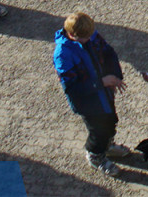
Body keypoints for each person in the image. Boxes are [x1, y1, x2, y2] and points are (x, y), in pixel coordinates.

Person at [54, 12, 128, 175]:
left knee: (111, 122)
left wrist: (115, 76)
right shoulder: (63, 55)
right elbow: (72, 89)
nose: (90, 39)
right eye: (85, 37)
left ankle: (107, 146)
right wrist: (101, 82)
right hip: (89, 104)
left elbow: (109, 53)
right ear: (73, 35)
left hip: (105, 95)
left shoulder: (90, 35)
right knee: (98, 132)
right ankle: (95, 155)